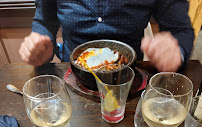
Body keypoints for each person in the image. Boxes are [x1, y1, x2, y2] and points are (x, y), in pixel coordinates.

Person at [19, 0, 194, 72]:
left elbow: (180, 29)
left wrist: (177, 52)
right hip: (72, 74)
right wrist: (41, 42)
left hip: (129, 75)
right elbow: (44, 20)